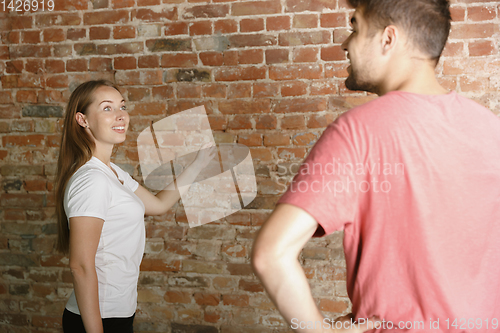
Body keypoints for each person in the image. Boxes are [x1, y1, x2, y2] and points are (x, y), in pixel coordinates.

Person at [252, 0, 500, 332]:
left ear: (388, 39)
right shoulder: (490, 128)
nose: (345, 43)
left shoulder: (358, 132)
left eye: (355, 27)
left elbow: (271, 255)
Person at [54, 80, 216, 333]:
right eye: (107, 108)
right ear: (82, 120)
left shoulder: (112, 172)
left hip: (119, 311)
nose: (121, 116)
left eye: (123, 106)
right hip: (99, 318)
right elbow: (80, 265)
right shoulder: (92, 180)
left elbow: (159, 204)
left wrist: (197, 164)